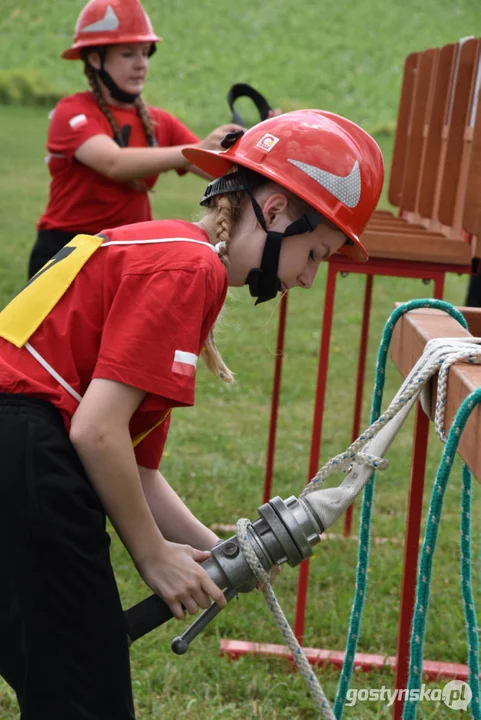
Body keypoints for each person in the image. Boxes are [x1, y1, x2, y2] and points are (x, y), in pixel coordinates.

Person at [0, 109, 384, 719]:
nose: (310, 277)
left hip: (17, 450)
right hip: (24, 452)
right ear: (278, 211)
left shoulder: (174, 250)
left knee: (56, 676)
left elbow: (141, 472)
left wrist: (225, 552)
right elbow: (96, 432)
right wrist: (153, 556)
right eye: (316, 253)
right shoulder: (190, 268)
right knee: (86, 695)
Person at [28, 0, 245, 278]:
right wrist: (196, 149)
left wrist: (262, 137)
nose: (141, 64)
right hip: (65, 254)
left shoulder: (159, 121)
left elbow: (216, 168)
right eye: (128, 54)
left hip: (128, 255)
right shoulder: (71, 112)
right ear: (95, 59)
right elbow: (113, 163)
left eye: (145, 53)